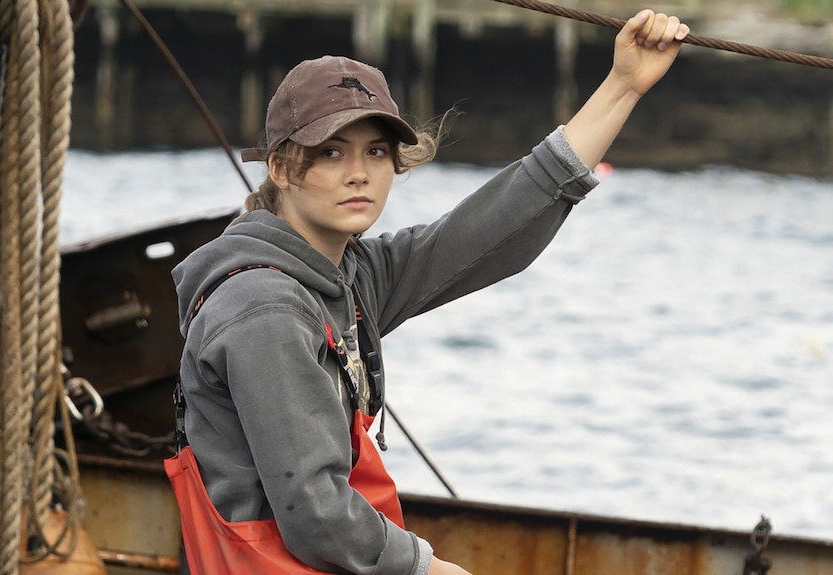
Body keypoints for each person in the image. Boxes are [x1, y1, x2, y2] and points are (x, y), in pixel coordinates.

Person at [166, 8, 690, 575]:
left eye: (375, 152)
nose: (360, 173)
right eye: (331, 153)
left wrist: (623, 85)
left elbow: (489, 228)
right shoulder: (263, 309)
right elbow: (314, 513)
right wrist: (431, 569)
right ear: (281, 169)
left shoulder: (349, 274)